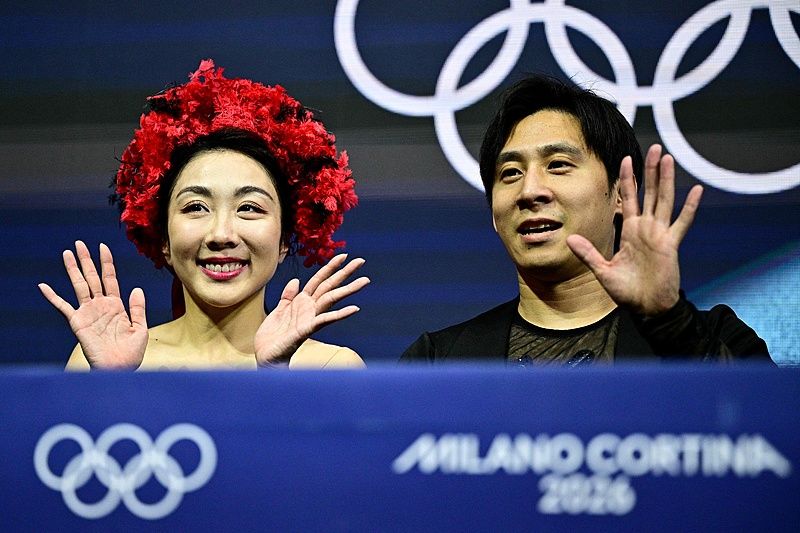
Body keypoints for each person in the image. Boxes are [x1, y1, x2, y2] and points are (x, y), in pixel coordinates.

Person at [401, 75, 770, 365]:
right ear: (494, 215)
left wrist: (670, 324)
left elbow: (765, 426)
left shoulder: (713, 338)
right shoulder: (438, 361)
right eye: (510, 173)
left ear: (621, 194)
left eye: (558, 165)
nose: (530, 191)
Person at [39, 59, 369, 370]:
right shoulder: (104, 363)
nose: (221, 234)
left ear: (284, 239)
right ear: (163, 239)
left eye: (249, 208)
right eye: (196, 207)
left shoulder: (330, 368)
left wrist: (273, 373)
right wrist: (113, 385)